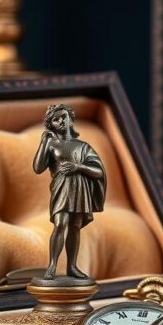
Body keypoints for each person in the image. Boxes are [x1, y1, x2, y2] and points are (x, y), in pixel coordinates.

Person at [33, 103, 107, 281]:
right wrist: (44, 143)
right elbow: (37, 168)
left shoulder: (83, 146)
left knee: (75, 226)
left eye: (64, 117)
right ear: (51, 125)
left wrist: (78, 166)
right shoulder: (52, 145)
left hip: (79, 189)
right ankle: (52, 265)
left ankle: (72, 266)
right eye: (56, 120)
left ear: (71, 119)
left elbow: (99, 172)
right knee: (60, 223)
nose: (61, 121)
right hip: (61, 188)